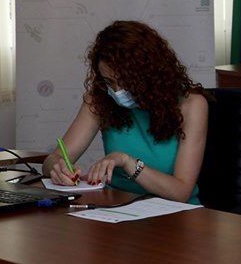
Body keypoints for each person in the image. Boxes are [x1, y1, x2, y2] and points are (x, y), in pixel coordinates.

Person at [42, 20, 207, 203]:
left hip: (175, 211)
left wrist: (127, 162)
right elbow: (54, 158)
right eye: (109, 82)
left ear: (150, 74)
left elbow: (181, 192)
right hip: (118, 206)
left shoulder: (192, 105)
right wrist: (57, 168)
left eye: (126, 81)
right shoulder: (100, 98)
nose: (117, 91)